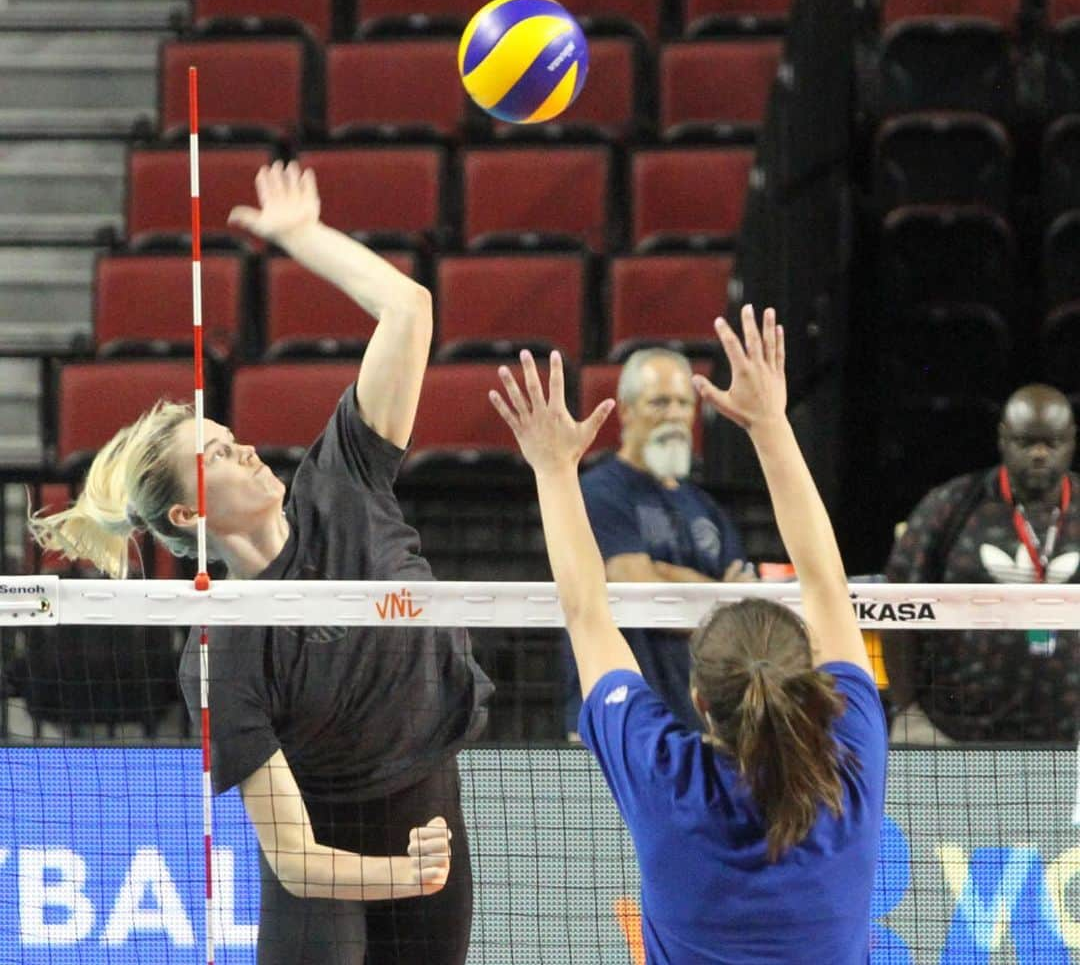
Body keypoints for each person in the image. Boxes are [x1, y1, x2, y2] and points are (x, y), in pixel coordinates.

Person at [29, 162, 492, 965]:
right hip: (326, 875)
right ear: (188, 514)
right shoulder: (221, 649)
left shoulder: (344, 480)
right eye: (214, 454)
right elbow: (295, 857)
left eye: (228, 437)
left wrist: (302, 238)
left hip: (429, 820)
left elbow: (409, 310)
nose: (241, 446)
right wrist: (401, 877)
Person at [491, 305, 886, 963]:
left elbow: (586, 611)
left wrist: (551, 470)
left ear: (699, 697)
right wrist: (770, 424)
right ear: (813, 684)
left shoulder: (662, 777)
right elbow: (825, 581)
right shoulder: (852, 758)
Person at [563, 347, 754, 734]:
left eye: (684, 403)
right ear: (627, 411)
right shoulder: (600, 492)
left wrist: (664, 573)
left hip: (698, 723)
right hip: (619, 719)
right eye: (660, 402)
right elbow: (636, 586)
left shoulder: (706, 508)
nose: (675, 415)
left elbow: (743, 607)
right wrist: (717, 595)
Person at [883, 383, 1080, 744]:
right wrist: (908, 708)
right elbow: (896, 607)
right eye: (1026, 443)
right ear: (1003, 439)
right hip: (957, 731)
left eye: (1051, 444)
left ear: (1072, 441)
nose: (1039, 454)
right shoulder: (950, 507)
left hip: (1072, 732)